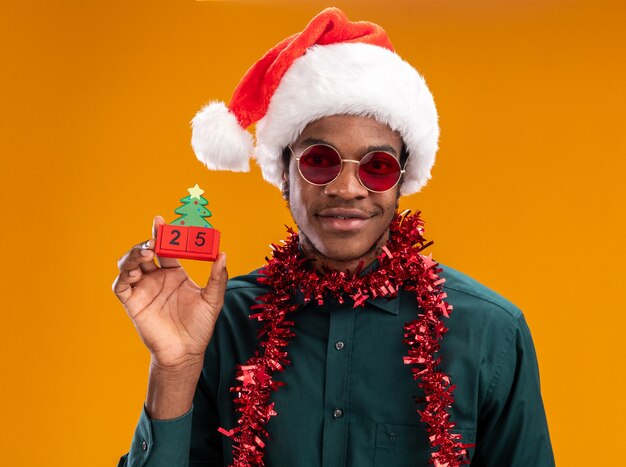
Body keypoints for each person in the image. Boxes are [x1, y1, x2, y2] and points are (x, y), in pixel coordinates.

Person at [114, 8, 554, 467]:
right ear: (283, 172)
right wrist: (176, 367)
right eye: (320, 161)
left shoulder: (489, 332)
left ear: (404, 178)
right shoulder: (219, 324)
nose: (347, 189)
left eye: (376, 166)